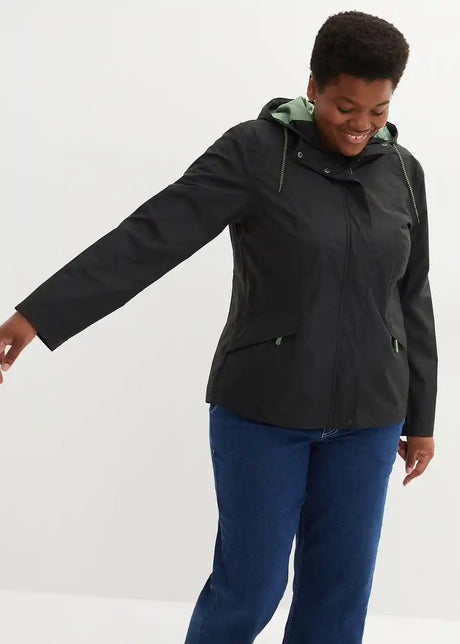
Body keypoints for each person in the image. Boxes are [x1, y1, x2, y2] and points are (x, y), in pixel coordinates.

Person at [0, 9, 437, 644]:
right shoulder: (256, 153)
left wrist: (420, 416)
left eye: (379, 110)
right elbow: (153, 235)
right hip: (265, 410)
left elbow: (412, 293)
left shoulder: (402, 170)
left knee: (339, 597)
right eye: (345, 107)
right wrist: (39, 314)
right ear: (312, 87)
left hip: (370, 417)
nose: (361, 125)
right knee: (249, 589)